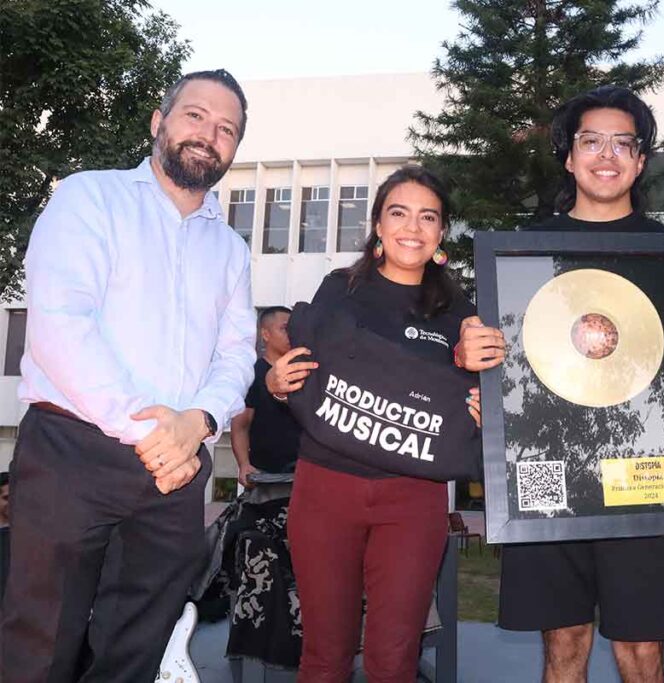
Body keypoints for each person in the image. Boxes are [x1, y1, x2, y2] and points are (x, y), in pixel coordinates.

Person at [458, 85, 664, 683]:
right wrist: (476, 364)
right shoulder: (524, 255)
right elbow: (507, 368)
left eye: (623, 143)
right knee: (564, 646)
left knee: (642, 655)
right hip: (549, 480)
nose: (606, 154)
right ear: (569, 156)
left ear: (639, 161)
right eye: (591, 141)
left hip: (643, 483)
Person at [0, 69, 256, 682]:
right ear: (158, 122)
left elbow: (236, 354)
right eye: (195, 115)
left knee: (136, 650)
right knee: (40, 642)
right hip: (73, 451)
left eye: (227, 129)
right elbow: (62, 322)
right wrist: (155, 431)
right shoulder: (89, 198)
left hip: (175, 472)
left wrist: (198, 421)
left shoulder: (231, 249)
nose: (208, 134)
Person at [266, 165, 478, 682]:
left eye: (428, 216)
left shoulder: (462, 314)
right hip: (323, 490)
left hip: (413, 499)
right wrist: (277, 384)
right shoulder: (338, 290)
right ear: (378, 227)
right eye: (399, 213)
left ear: (442, 232)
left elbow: (483, 399)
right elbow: (303, 376)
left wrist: (483, 397)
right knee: (323, 657)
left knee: (393, 660)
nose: (413, 227)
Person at [231, 306, 301, 487]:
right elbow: (240, 425)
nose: (291, 334)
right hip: (264, 475)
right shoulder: (252, 374)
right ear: (265, 334)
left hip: (303, 474)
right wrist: (244, 464)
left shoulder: (304, 373)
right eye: (284, 328)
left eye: (295, 328)